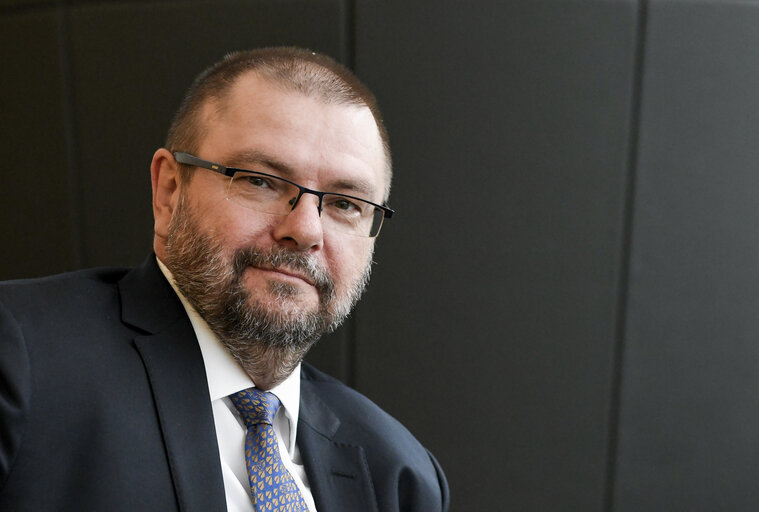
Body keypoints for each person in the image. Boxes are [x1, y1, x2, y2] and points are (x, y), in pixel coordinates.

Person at [0, 47, 449, 511]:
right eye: (260, 181)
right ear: (169, 192)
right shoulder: (21, 363)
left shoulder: (398, 474)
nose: (305, 230)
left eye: (345, 204)